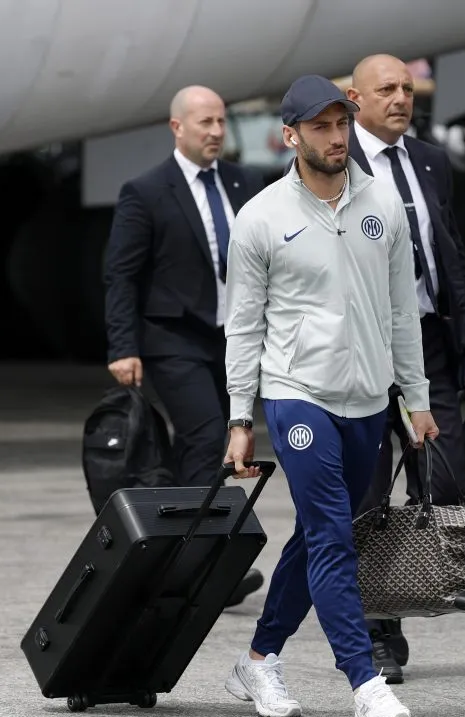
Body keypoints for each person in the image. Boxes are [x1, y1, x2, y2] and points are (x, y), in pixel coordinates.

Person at [220, 73, 439, 717]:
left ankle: (257, 659)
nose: (337, 136)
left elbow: (404, 310)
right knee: (334, 535)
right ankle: (365, 686)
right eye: (321, 126)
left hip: (369, 398)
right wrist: (240, 414)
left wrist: (417, 397)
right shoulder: (261, 218)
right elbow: (243, 325)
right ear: (291, 135)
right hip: (297, 394)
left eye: (342, 123)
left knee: (319, 533)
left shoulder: (384, 207)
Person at [345, 54, 465, 683]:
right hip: (362, 346)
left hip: (430, 341)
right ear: (356, 100)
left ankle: (420, 579)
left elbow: (453, 258)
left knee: (444, 475)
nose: (401, 99)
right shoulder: (336, 162)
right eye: (387, 89)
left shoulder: (431, 161)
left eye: (408, 89)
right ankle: (379, 632)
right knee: (367, 490)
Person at [102, 84, 265, 607]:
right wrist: (123, 346)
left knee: (200, 450)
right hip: (172, 337)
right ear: (177, 128)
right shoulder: (146, 191)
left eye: (221, 122)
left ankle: (170, 559)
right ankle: (205, 566)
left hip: (231, 339)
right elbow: (121, 275)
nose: (216, 132)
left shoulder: (245, 182)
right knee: (207, 438)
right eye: (205, 124)